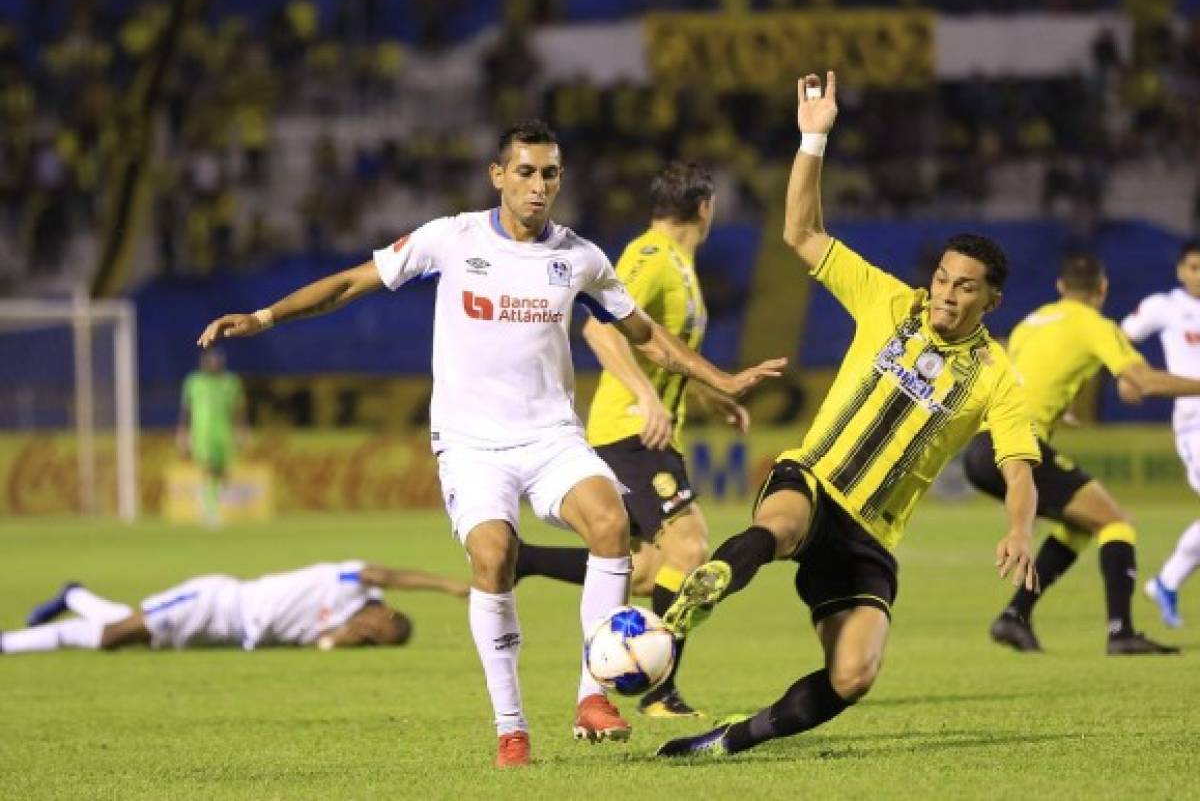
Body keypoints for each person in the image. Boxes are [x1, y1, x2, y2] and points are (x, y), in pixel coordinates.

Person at [195, 120, 786, 768]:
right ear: (498, 175)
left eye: (550, 174)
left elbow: (643, 332)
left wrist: (720, 378)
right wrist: (264, 317)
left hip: (551, 434)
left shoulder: (578, 256)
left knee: (610, 520)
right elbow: (349, 283)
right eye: (526, 172)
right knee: (493, 554)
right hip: (473, 444)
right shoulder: (452, 238)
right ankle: (512, 727)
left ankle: (593, 696)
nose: (538, 186)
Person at [655, 71, 1041, 759]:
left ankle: (727, 740)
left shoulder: (997, 377)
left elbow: (1017, 467)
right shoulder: (889, 301)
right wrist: (813, 136)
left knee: (853, 674)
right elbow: (800, 231)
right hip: (812, 479)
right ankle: (709, 582)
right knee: (778, 526)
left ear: (991, 303)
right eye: (945, 278)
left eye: (966, 287)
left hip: (871, 536)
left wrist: (1018, 528)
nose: (948, 293)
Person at [514, 161, 748, 719]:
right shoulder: (649, 256)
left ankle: (524, 559)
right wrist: (645, 397)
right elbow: (597, 326)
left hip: (647, 429)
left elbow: (660, 349)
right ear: (705, 207)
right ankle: (659, 693)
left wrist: (709, 398)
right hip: (629, 431)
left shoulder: (679, 264)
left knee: (644, 571)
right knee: (690, 549)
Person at [963, 252, 1195, 654]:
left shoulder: (1033, 322)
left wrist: (1059, 405)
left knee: (1080, 523)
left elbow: (1022, 375)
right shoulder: (1095, 324)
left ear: (1060, 287)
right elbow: (1144, 381)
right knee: (1115, 522)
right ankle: (1120, 633)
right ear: (1102, 289)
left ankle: (1014, 617)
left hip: (983, 447)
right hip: (1018, 445)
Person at [0, 560, 467, 653]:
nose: (371, 634)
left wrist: (349, 639)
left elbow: (325, 645)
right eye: (379, 631)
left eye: (377, 643)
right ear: (385, 613)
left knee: (125, 635)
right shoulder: (350, 584)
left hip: (226, 635)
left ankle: (74, 596)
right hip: (217, 602)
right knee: (112, 637)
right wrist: (448, 586)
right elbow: (386, 575)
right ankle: (10, 643)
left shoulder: (342, 630)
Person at [1121, 241, 1200, 627]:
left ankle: (1166, 583)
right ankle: (1166, 582)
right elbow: (1122, 338)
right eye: (1195, 268)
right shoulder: (1164, 307)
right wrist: (1131, 377)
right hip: (1195, 422)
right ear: (1181, 271)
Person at [176, 347, 247, 527]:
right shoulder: (194, 382)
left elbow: (238, 409)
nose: (214, 364)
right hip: (202, 434)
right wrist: (182, 434)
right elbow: (186, 411)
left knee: (222, 473)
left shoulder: (231, 382)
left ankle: (209, 503)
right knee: (209, 470)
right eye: (210, 360)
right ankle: (210, 512)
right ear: (204, 363)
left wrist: (242, 431)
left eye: (217, 360)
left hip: (224, 434)